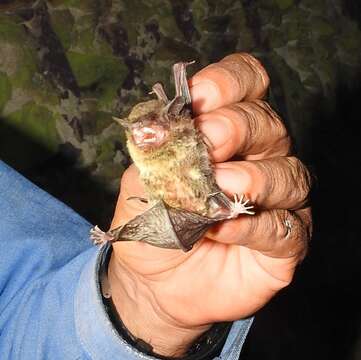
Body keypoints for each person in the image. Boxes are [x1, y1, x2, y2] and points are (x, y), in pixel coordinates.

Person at [0, 53, 312, 360]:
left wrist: (142, 307)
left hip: (195, 168)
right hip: (183, 192)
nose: (141, 134)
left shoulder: (175, 123)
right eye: (134, 132)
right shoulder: (146, 157)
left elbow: (19, 301)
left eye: (147, 128)